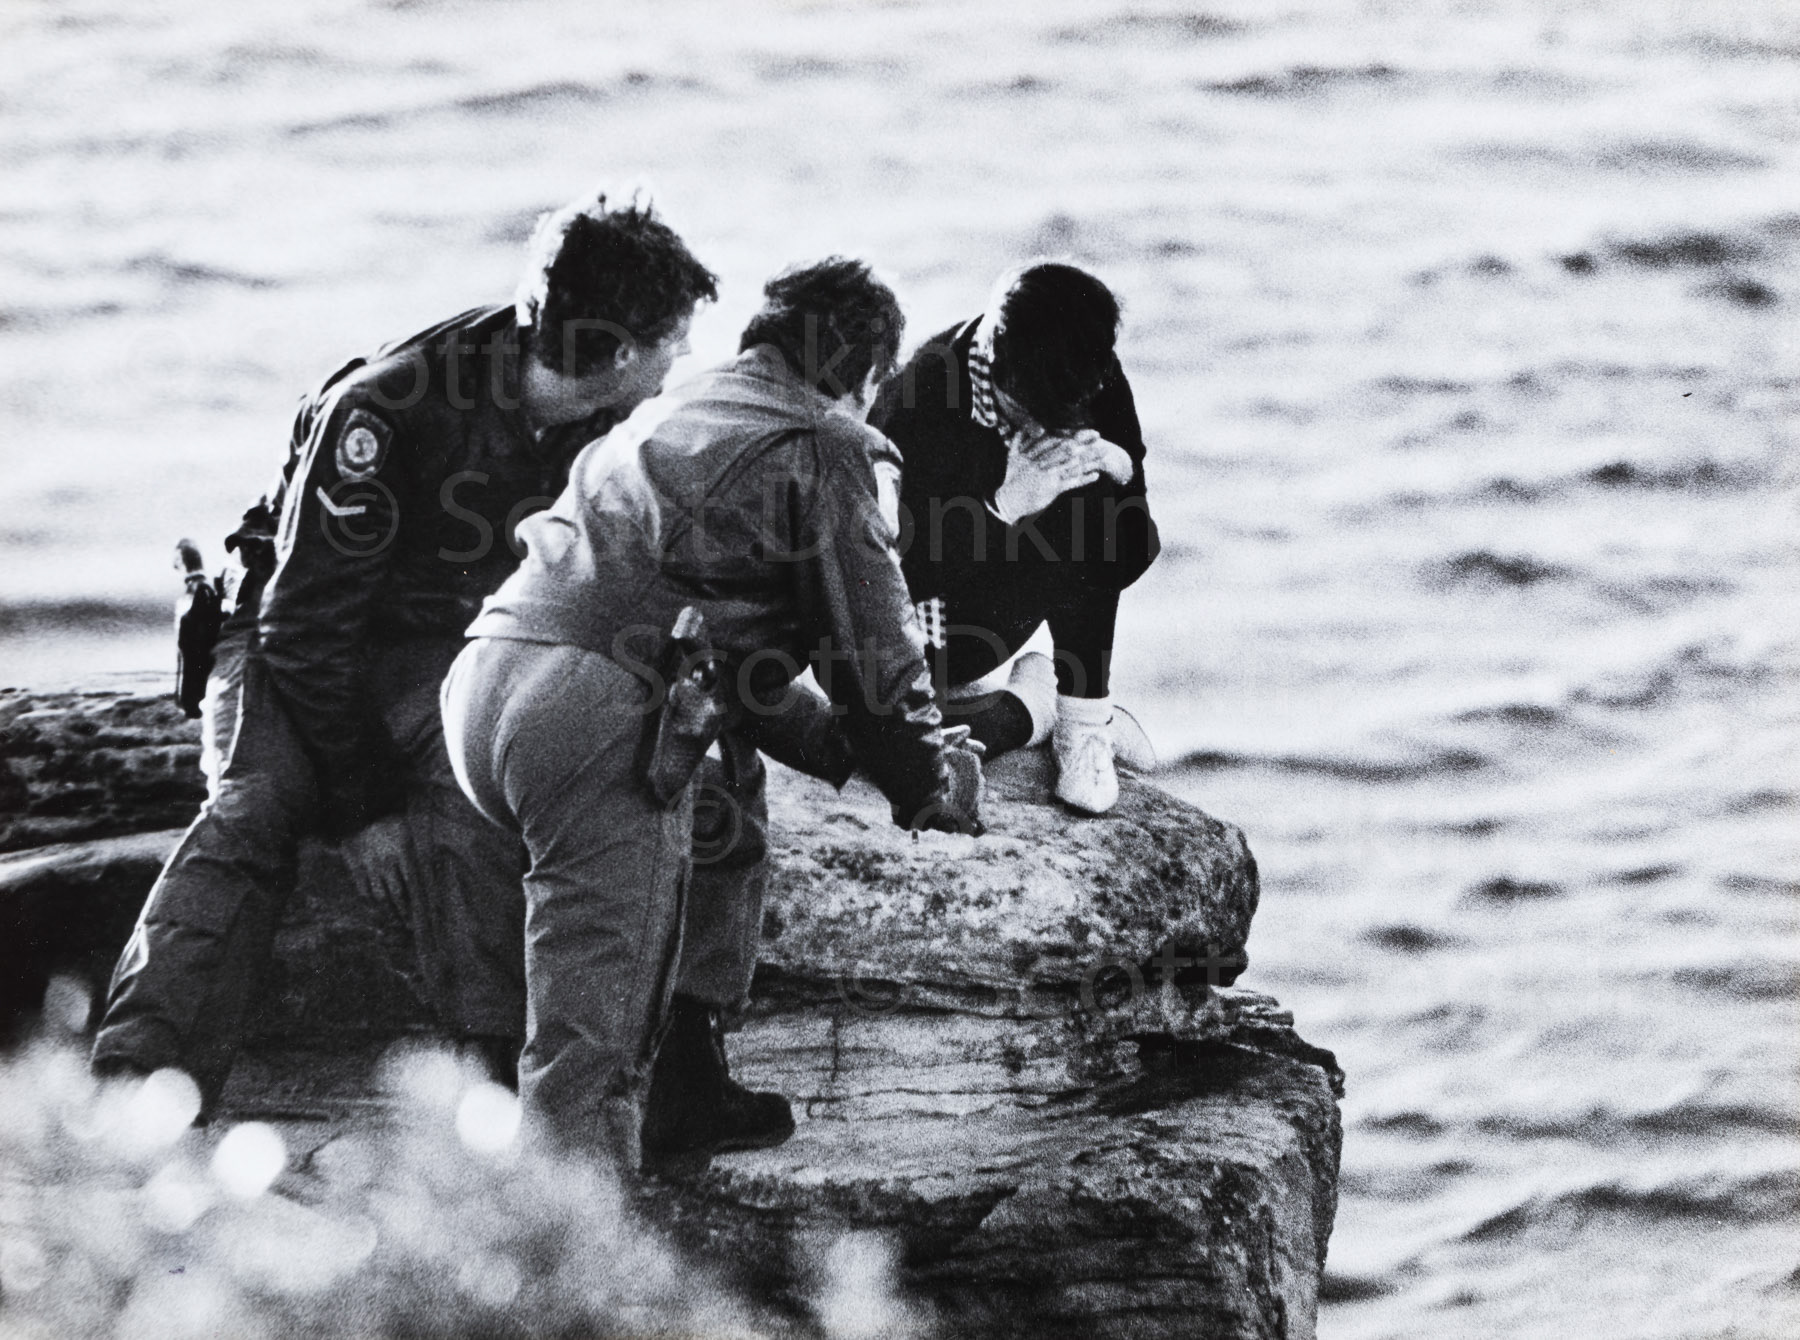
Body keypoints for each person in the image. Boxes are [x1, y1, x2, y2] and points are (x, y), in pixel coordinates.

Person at [90, 191, 719, 1111]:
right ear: (619, 352)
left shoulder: (615, 425)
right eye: (674, 340)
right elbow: (302, 629)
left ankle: (496, 1084)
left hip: (436, 649)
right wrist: (363, 805)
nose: (686, 360)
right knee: (255, 811)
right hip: (284, 637)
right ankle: (135, 1095)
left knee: (480, 793)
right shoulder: (390, 410)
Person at [441, 257, 984, 1170]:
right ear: (863, 374)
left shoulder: (670, 410)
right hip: (592, 711)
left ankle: (689, 1086)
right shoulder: (825, 439)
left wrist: (838, 747)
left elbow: (732, 655)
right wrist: (930, 781)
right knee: (590, 1048)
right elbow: (874, 656)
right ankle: (562, 1288)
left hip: (488, 680)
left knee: (728, 800)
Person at [869, 262, 1159, 815]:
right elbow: (888, 573)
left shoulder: (1086, 365)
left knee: (1088, 500)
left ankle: (1082, 717)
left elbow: (1133, 530)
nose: (1055, 427)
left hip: (1014, 593)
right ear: (1001, 369)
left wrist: (1112, 463)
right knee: (895, 743)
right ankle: (1034, 707)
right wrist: (1004, 505)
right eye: (1038, 414)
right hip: (929, 617)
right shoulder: (920, 394)